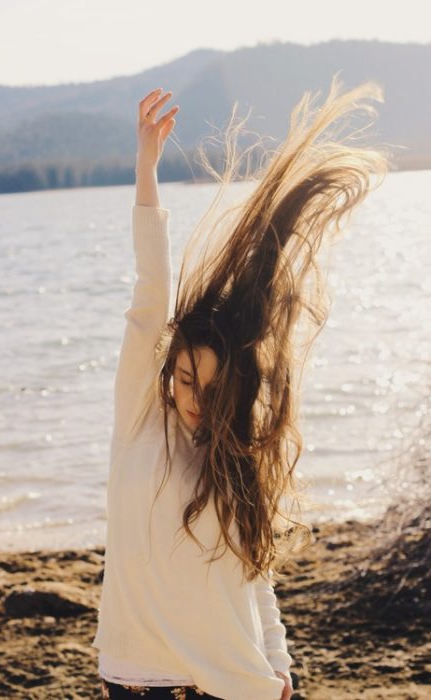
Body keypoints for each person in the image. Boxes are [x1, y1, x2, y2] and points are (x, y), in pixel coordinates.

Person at [92, 78, 389, 700]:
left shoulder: (237, 462)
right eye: (184, 377)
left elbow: (255, 582)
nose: (195, 396)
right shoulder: (138, 422)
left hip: (231, 684)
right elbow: (150, 302)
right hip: (135, 678)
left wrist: (279, 669)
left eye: (212, 383)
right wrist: (146, 166)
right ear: (167, 377)